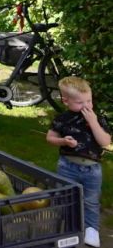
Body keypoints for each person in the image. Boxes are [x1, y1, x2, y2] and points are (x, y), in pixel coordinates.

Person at [46, 77, 110, 247]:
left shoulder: (98, 118)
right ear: (65, 101)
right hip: (67, 166)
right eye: (80, 102)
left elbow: (104, 141)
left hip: (92, 169)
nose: (87, 106)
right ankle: (67, 230)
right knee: (65, 198)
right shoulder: (63, 119)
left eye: (89, 100)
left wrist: (93, 122)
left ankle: (92, 230)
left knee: (90, 200)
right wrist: (63, 142)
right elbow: (50, 138)